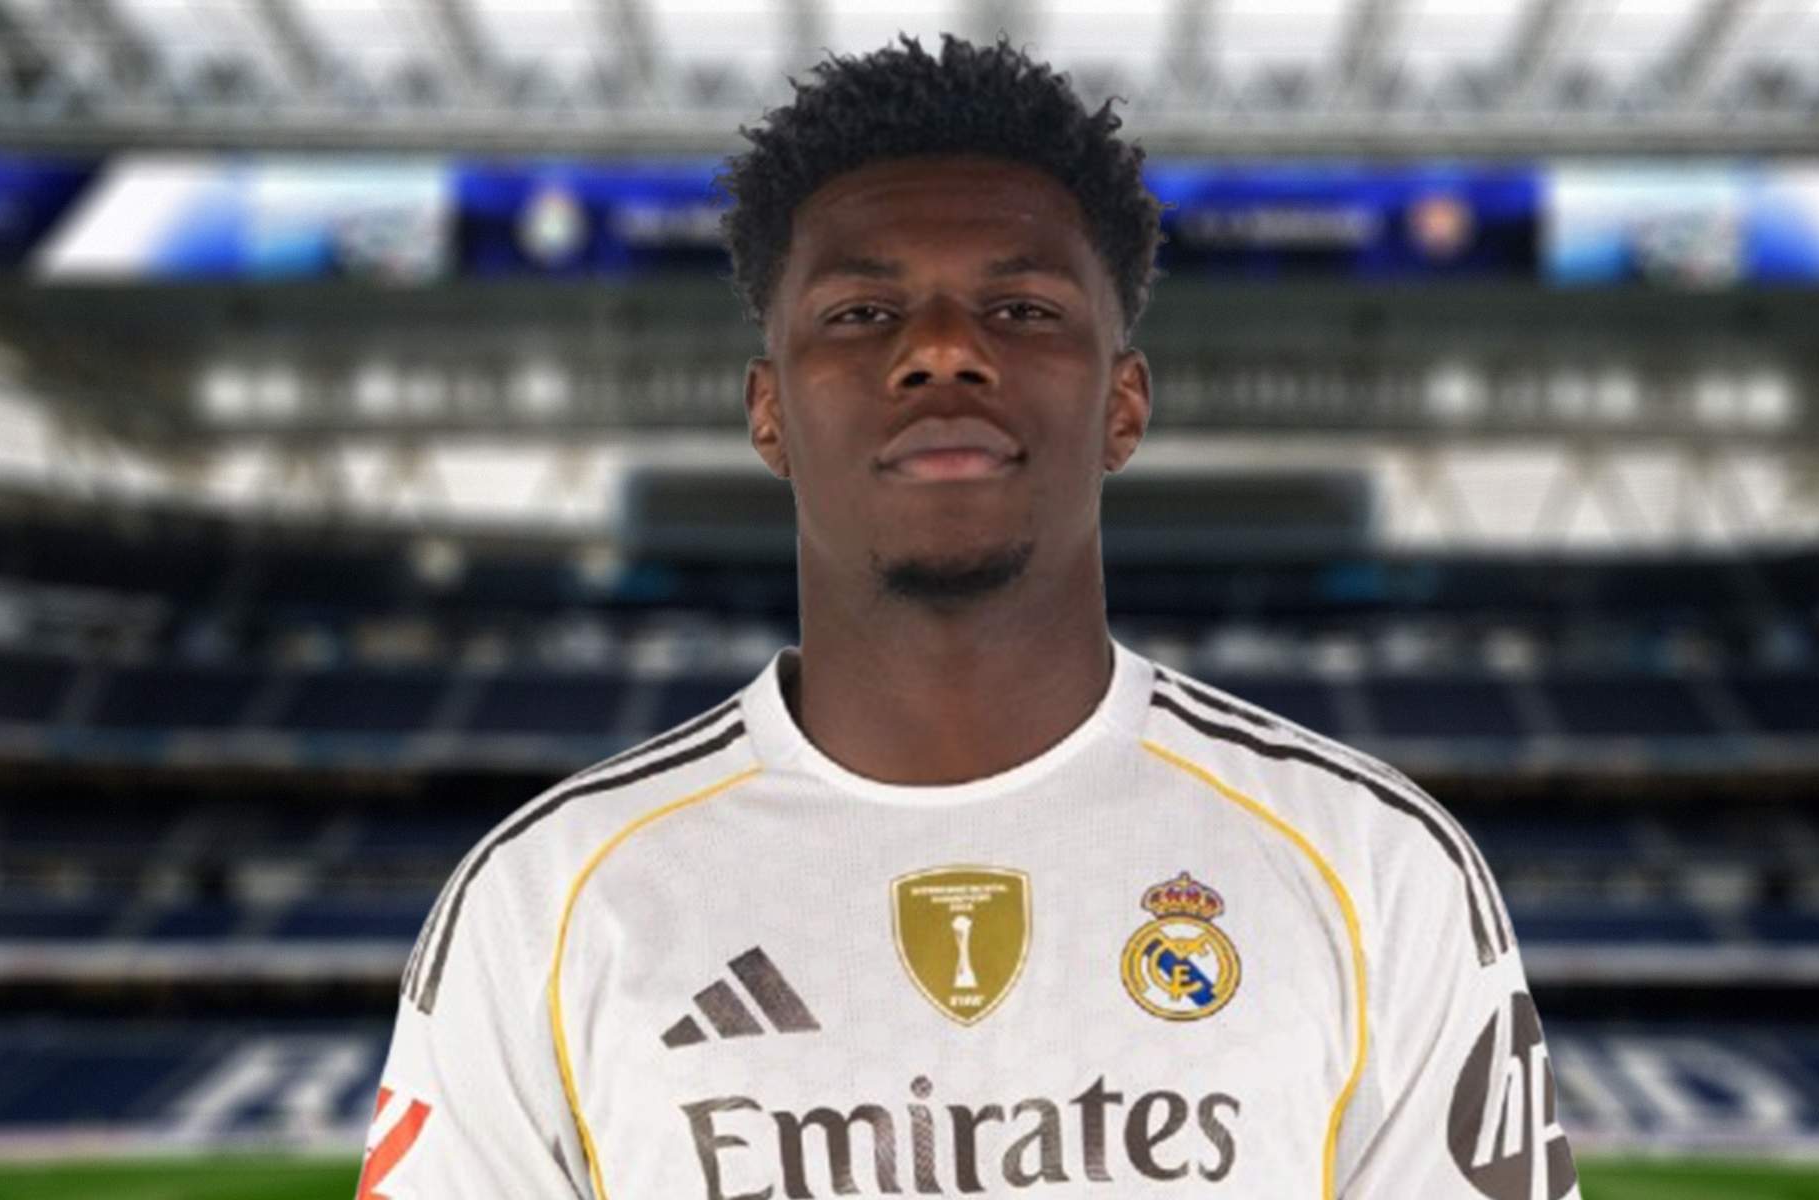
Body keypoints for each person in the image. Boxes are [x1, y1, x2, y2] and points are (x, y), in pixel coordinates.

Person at [361, 35, 1580, 1200]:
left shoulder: (1373, 869)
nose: (942, 352)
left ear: (1123, 403)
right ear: (767, 411)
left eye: (1023, 312)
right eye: (858, 315)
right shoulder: (545, 902)